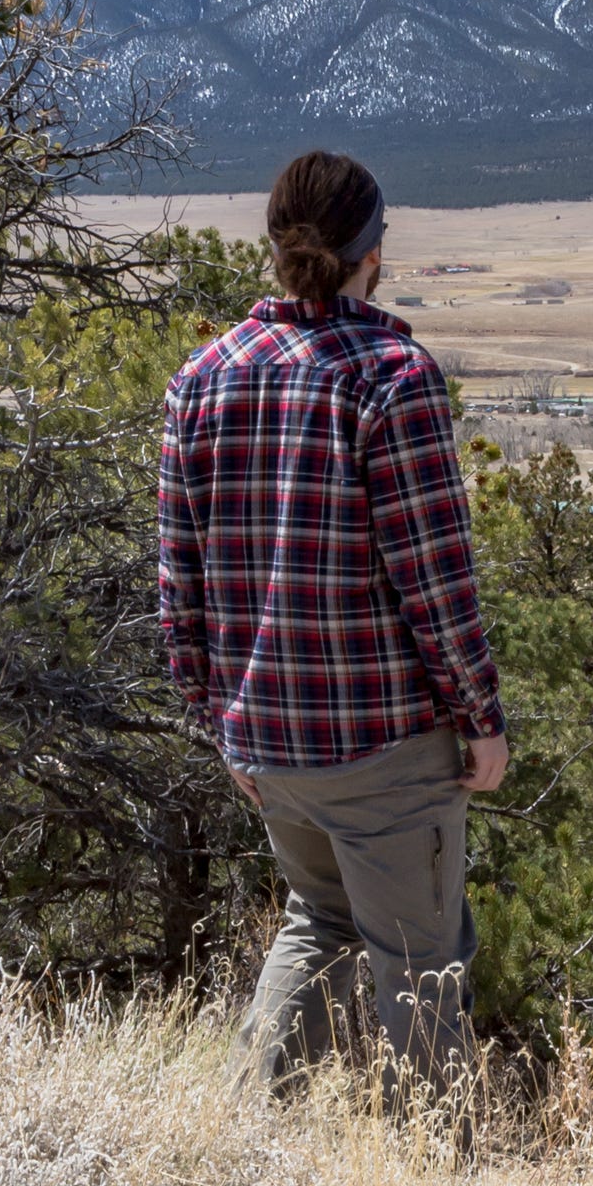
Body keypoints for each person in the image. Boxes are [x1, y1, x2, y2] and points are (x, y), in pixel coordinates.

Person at [156, 150, 509, 1099]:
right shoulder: (392, 377)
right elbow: (436, 579)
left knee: (317, 920)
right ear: (373, 253)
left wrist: (218, 721)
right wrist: (481, 716)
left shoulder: (203, 377)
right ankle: (439, 1185)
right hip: (381, 744)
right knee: (421, 965)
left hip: (268, 742)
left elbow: (177, 584)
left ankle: (241, 1137)